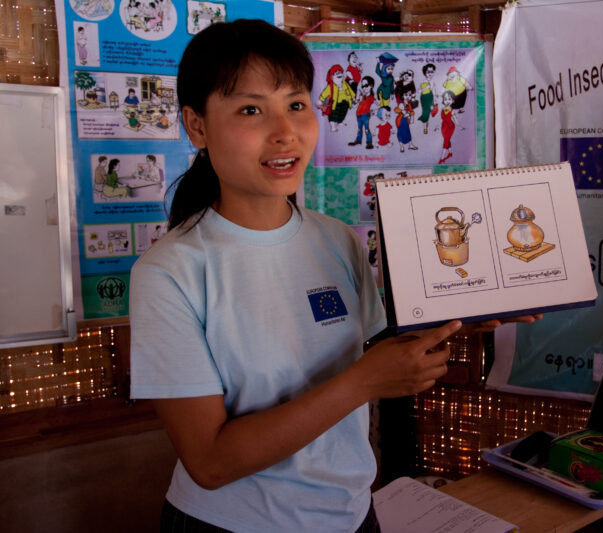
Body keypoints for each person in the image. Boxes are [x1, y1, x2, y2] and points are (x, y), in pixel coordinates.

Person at [130, 20, 539, 532]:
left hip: (350, 514)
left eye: (297, 104)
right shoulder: (169, 273)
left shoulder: (335, 239)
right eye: (251, 109)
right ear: (197, 126)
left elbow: (369, 354)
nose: (285, 131)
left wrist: (461, 316)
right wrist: (363, 383)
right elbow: (211, 463)